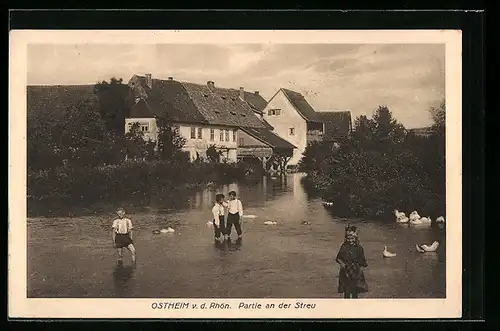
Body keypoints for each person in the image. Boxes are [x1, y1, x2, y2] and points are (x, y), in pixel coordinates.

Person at [335, 225, 368, 298]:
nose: (350, 241)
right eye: (348, 239)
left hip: (356, 272)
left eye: (352, 238)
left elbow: (363, 263)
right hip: (345, 272)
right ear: (346, 238)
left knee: (355, 292)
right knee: (346, 292)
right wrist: (342, 264)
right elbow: (338, 258)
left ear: (356, 238)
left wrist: (359, 274)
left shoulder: (359, 248)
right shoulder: (344, 246)